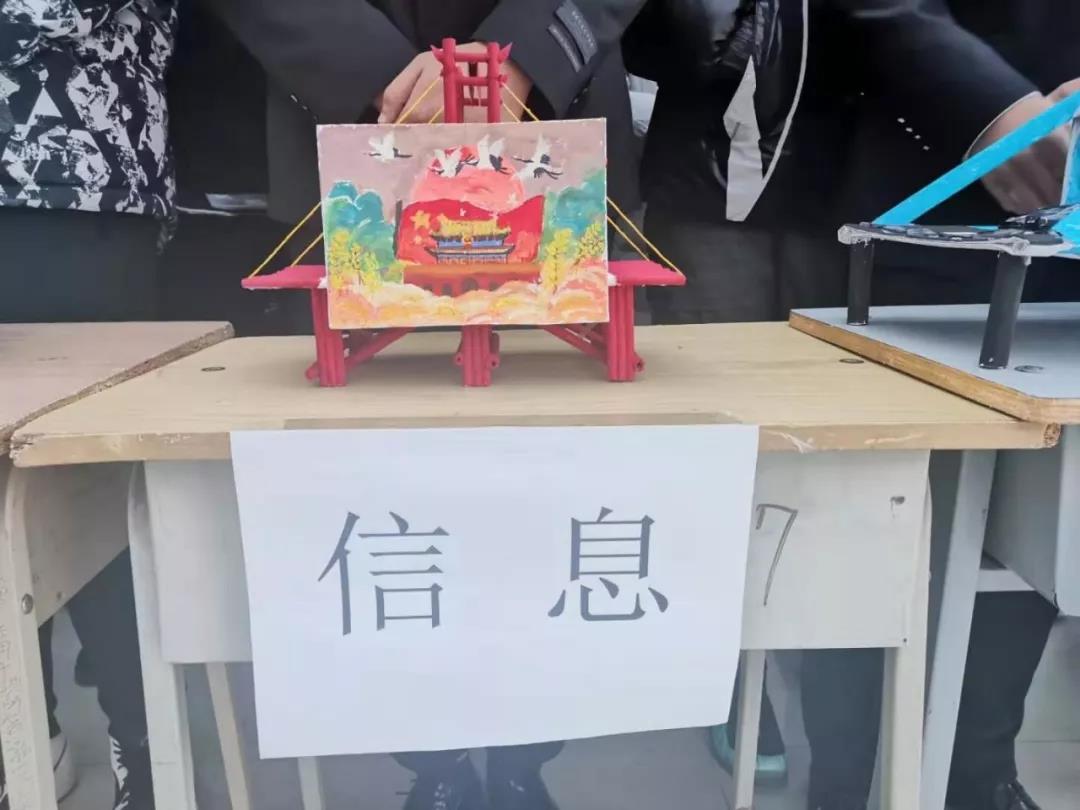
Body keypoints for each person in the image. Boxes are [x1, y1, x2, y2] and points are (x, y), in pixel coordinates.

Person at [186, 2, 650, 808]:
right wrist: (378, 72)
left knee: (552, 482)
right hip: (353, 123)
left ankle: (528, 752)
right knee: (374, 493)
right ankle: (428, 760)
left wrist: (525, 54)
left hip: (548, 114)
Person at [629, 1, 1078, 809]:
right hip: (926, 166)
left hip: (1054, 194)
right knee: (867, 517)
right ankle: (840, 776)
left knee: (1038, 523)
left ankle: (979, 771)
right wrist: (990, 107)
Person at [0, 1, 177, 807]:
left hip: (71, 184)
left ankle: (146, 749)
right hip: (64, 192)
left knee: (94, 483)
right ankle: (22, 742)